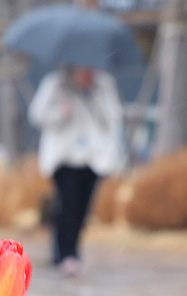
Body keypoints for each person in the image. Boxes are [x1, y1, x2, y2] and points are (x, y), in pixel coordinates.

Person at [28, 66, 124, 276]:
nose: (86, 75)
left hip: (93, 158)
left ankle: (69, 251)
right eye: (82, 71)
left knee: (82, 209)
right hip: (64, 157)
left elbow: (113, 119)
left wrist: (114, 157)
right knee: (67, 205)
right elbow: (37, 114)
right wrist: (60, 112)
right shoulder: (56, 84)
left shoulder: (104, 87)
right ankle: (66, 254)